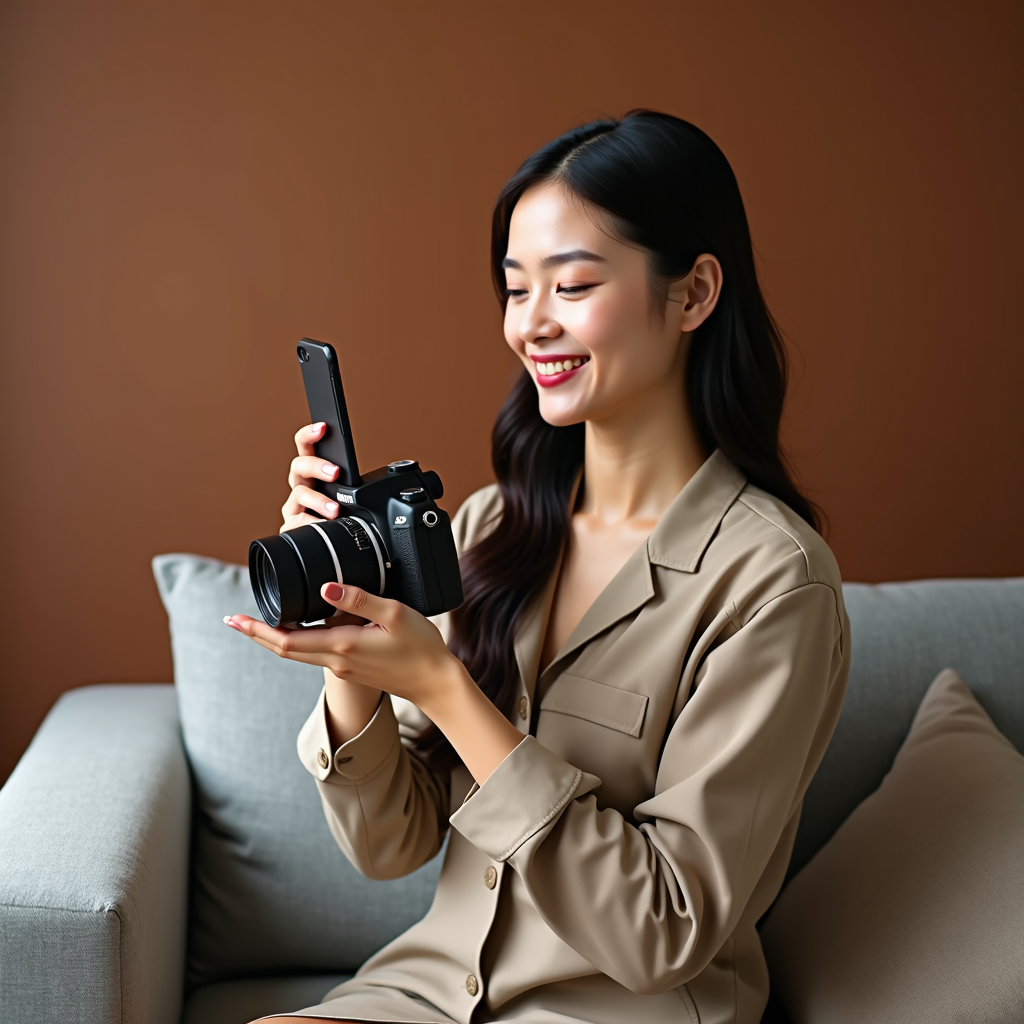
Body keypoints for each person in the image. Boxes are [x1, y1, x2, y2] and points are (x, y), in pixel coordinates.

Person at [225, 110, 850, 1024]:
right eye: (516, 291)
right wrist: (351, 645)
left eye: (574, 285)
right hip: (429, 991)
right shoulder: (491, 528)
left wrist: (445, 690)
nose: (533, 325)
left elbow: (662, 931)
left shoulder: (774, 583)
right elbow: (388, 846)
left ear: (694, 293)